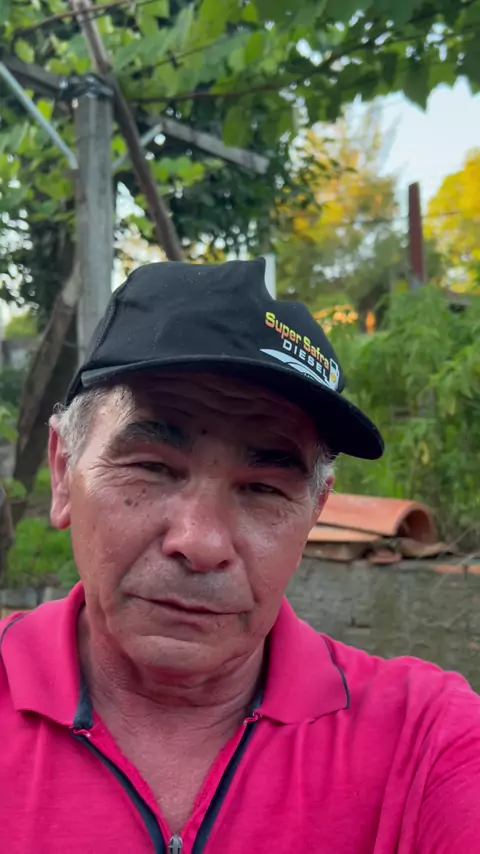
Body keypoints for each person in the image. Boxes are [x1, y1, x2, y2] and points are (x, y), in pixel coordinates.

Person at [1, 259, 479, 854]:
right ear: (64, 471)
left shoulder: (426, 742)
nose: (200, 543)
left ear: (314, 511)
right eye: (152, 466)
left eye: (263, 488)